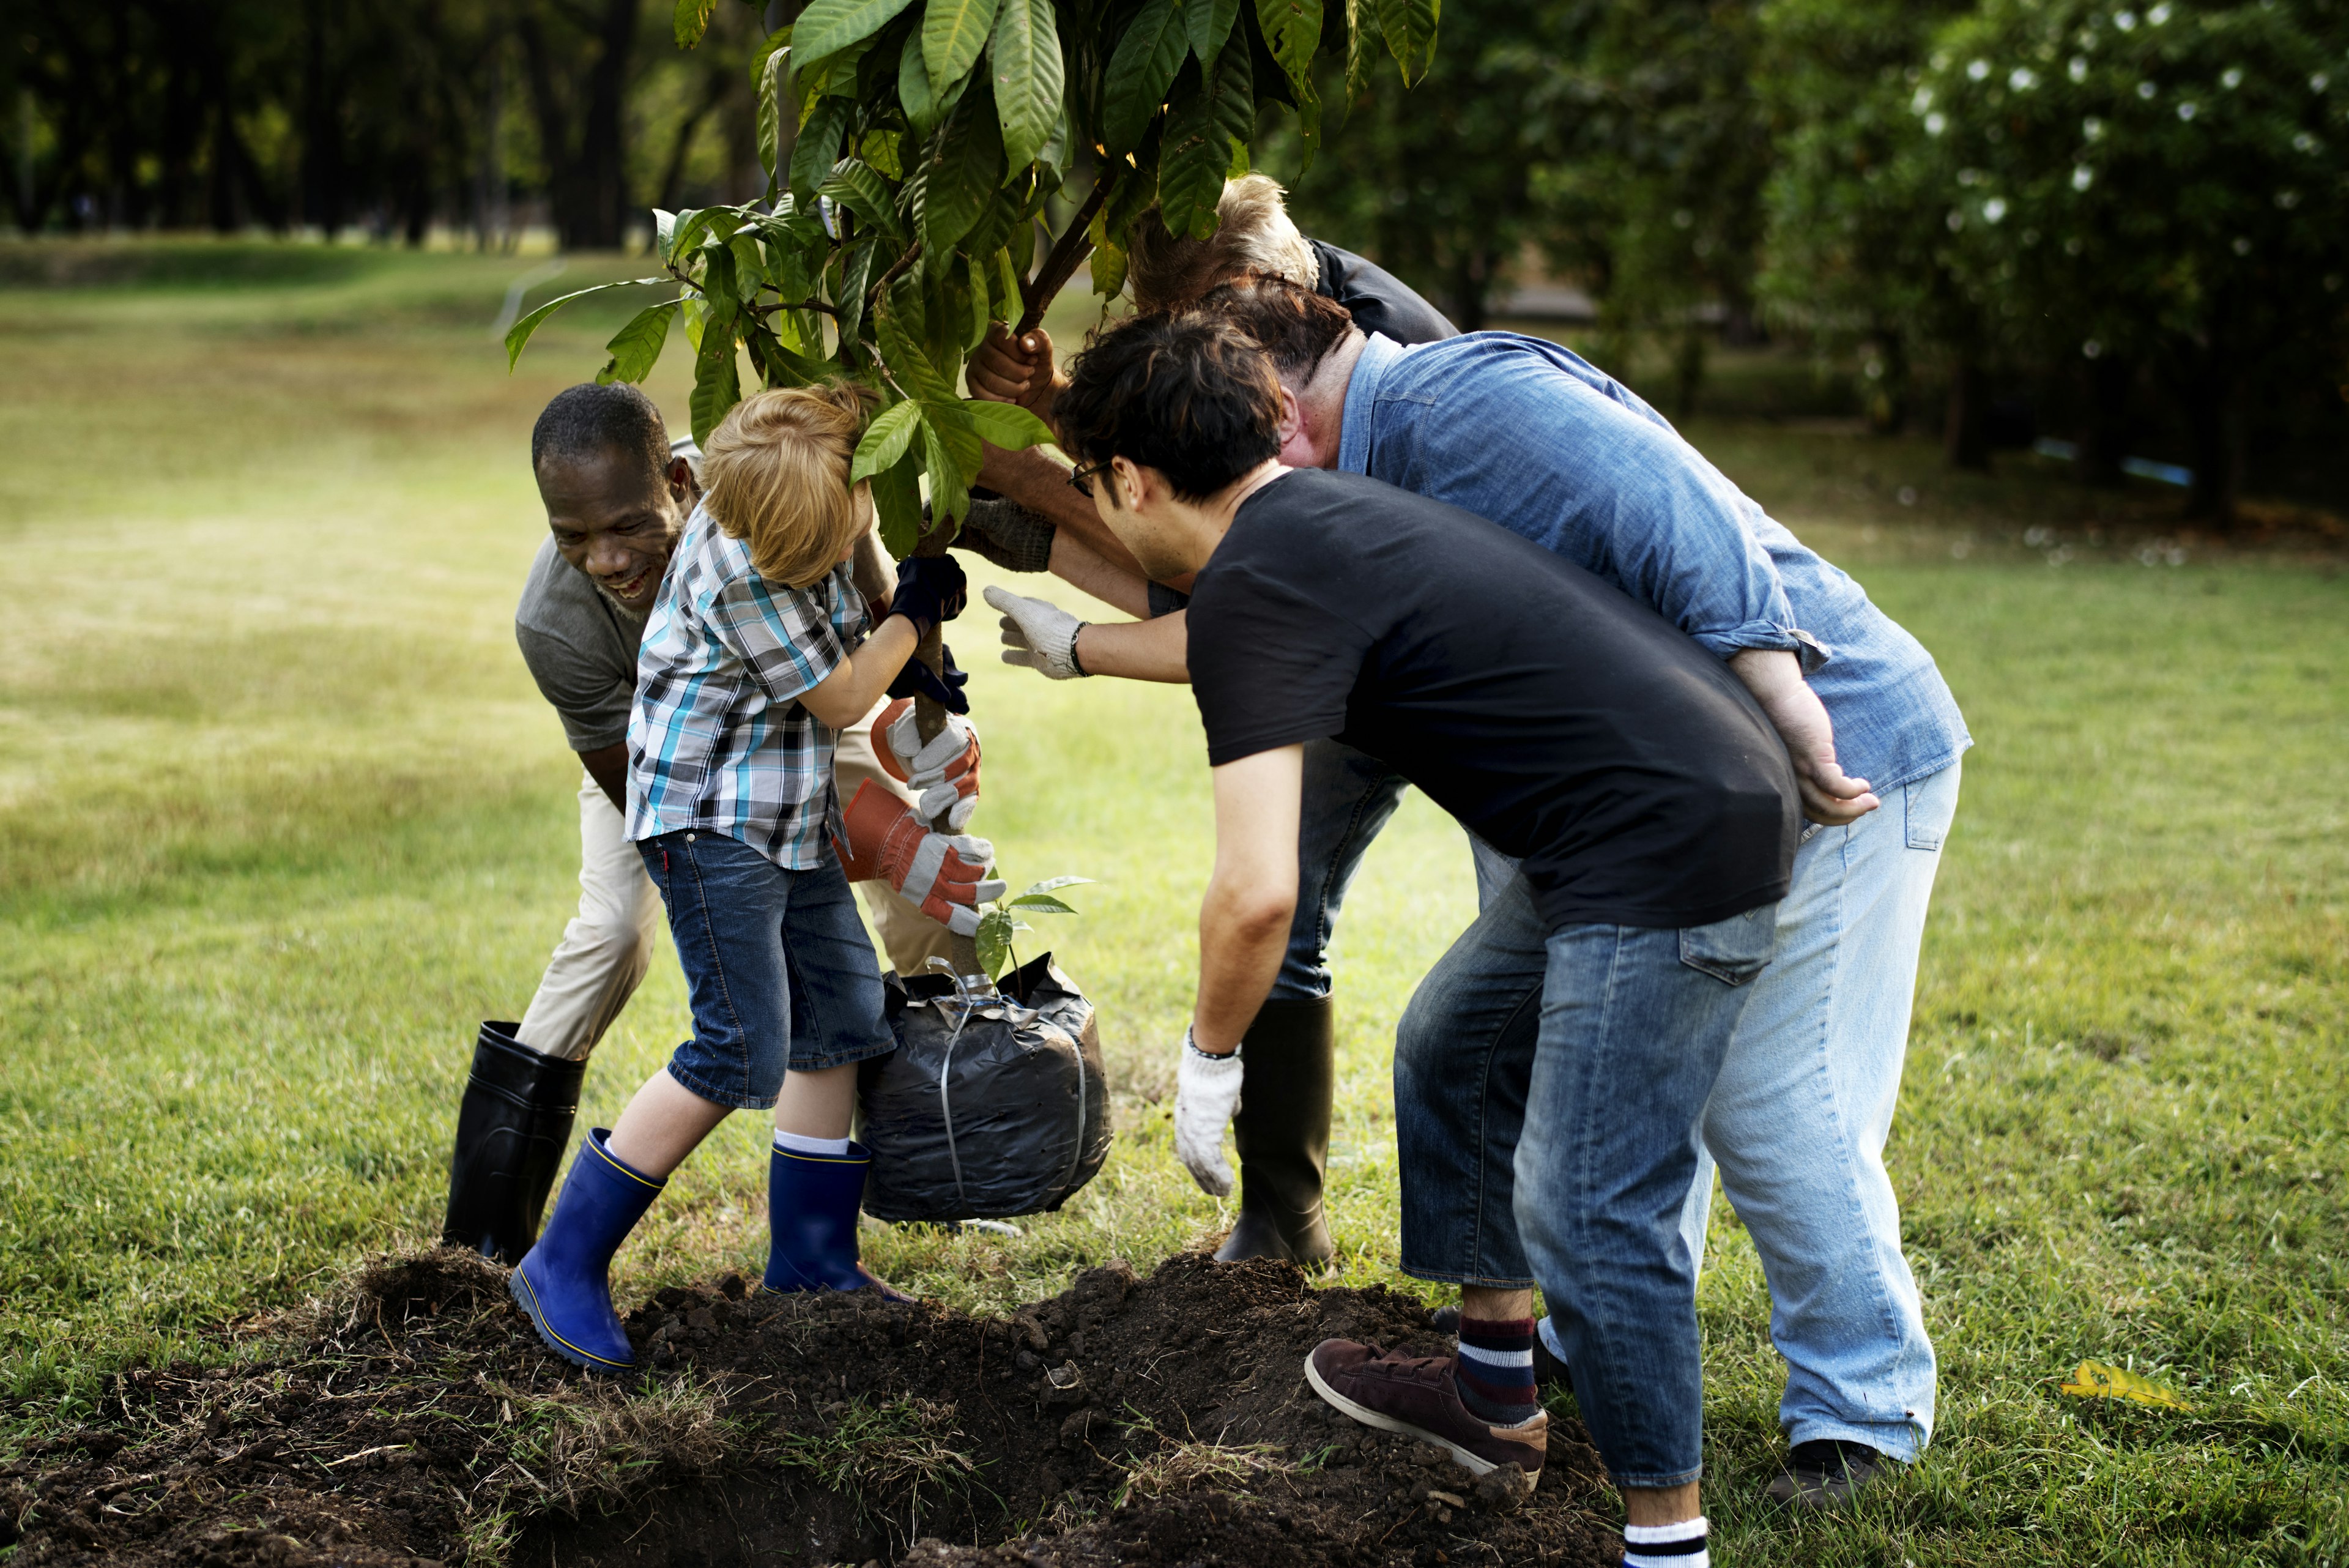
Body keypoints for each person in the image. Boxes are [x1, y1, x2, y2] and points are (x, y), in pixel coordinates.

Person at [990, 282, 1971, 1507]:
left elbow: (1686, 514)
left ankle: (1843, 1428)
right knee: (1456, 1041)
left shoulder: (1465, 408)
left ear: (1283, 409)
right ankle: (1501, 1382)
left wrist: (1790, 708)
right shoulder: (1326, 501)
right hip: (1634, 797)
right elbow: (1238, 621)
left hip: (1812, 747)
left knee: (1724, 1126)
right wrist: (1072, 629)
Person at [960, 174, 1463, 1268]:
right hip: (1348, 622)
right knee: (1298, 911)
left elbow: (1239, 587)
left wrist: (1035, 486)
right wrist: (1055, 418)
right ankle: (1282, 1220)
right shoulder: (1262, 313)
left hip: (1457, 665)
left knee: (1379, 949)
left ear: (1255, 292)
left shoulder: (1367, 367)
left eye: (1193, 331)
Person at [440, 384, 986, 1269]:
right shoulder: (588, 616)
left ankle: (834, 1247)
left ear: (682, 480)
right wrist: (880, 827)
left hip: (782, 739)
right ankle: (523, 1243)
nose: (607, 560)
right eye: (574, 538)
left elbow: (856, 621)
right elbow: (674, 790)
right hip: (683, 784)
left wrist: (921, 694)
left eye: (626, 526)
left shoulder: (774, 481)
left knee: (850, 1004)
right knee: (695, 1004)